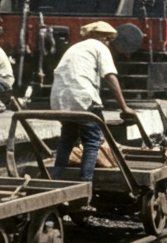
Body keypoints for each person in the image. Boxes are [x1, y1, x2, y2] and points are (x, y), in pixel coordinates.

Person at [50, 21, 138, 181]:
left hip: (60, 99)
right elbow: (110, 76)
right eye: (108, 40)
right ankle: (85, 183)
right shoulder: (100, 47)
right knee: (92, 140)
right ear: (103, 38)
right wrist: (124, 107)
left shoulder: (75, 48)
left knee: (67, 138)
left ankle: (56, 177)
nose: (108, 43)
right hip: (82, 97)